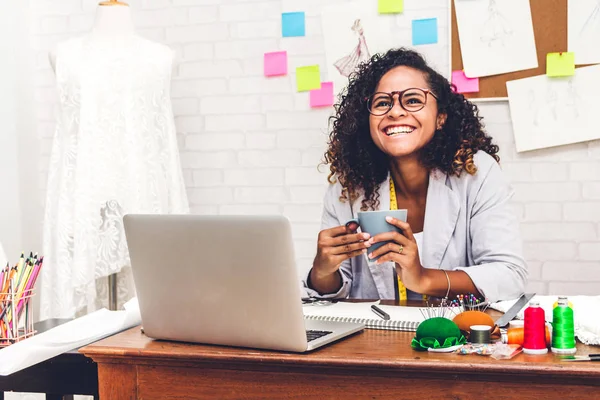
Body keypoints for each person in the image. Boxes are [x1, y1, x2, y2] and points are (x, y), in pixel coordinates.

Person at [304, 48, 527, 303]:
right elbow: (333, 289)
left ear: (441, 116)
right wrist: (321, 270)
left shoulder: (476, 172)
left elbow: (509, 276)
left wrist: (423, 278)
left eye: (412, 100)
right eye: (382, 103)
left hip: (454, 338)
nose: (395, 112)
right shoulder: (348, 187)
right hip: (375, 338)